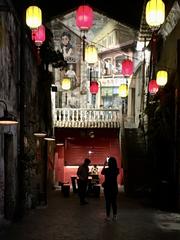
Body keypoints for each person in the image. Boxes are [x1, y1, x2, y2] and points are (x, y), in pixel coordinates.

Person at [101, 156, 119, 221]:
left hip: (107, 187)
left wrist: (104, 165)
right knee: (114, 202)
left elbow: (102, 172)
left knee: (108, 203)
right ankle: (115, 216)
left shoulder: (106, 170)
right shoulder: (117, 170)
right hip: (114, 187)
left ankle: (108, 216)